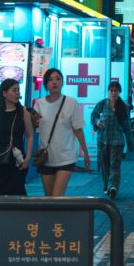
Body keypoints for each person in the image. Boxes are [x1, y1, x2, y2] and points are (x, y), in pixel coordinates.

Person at [32, 67, 90, 196]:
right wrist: (32, 121)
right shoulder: (39, 104)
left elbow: (78, 130)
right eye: (50, 79)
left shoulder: (71, 103)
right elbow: (35, 129)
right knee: (48, 196)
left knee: (57, 196)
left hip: (66, 157)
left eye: (58, 79)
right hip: (46, 157)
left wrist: (86, 153)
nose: (54, 82)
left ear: (62, 82)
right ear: (46, 84)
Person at [0, 78, 32, 195]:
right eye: (14, 90)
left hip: (17, 159)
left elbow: (30, 135)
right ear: (4, 93)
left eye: (18, 90)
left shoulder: (23, 112)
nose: (17, 93)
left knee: (16, 192)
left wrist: (28, 157)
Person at [92, 80, 133, 198]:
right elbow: (94, 116)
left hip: (117, 141)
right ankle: (106, 185)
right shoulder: (102, 104)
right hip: (103, 140)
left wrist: (130, 143)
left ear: (119, 92)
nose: (113, 93)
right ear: (108, 91)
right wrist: (97, 122)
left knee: (114, 164)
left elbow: (126, 126)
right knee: (104, 165)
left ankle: (113, 187)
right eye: (111, 90)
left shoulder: (123, 106)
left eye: (116, 91)